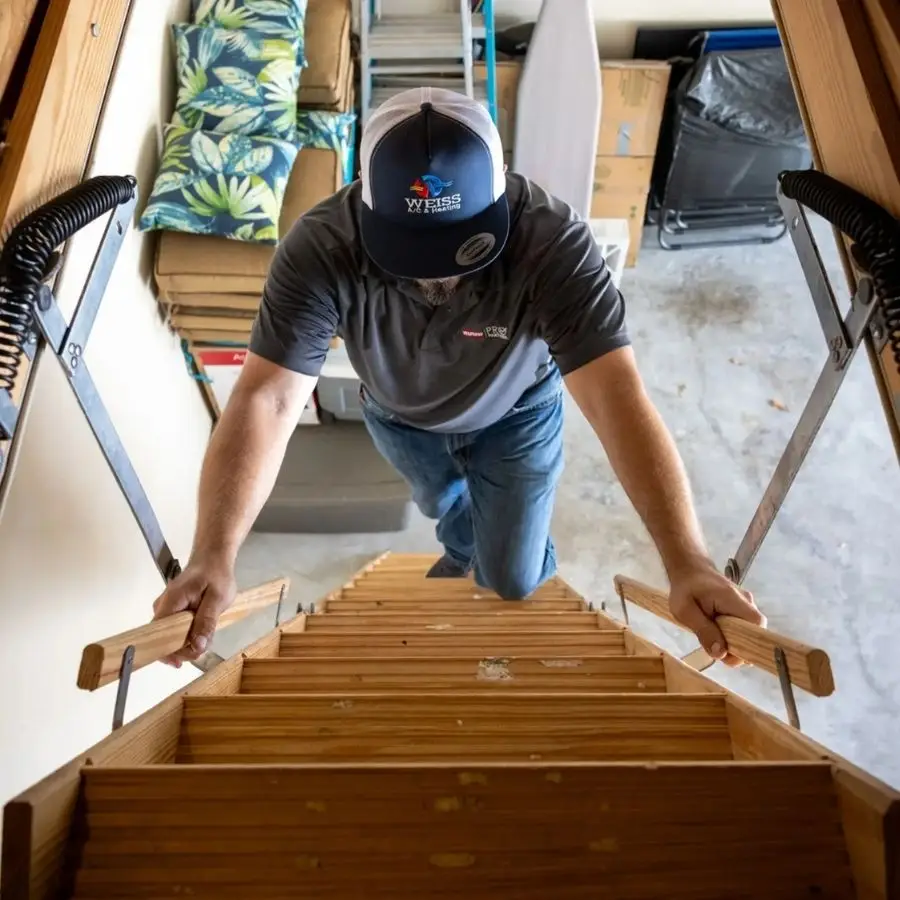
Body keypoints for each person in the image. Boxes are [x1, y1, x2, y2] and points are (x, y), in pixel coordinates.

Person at [152, 87, 765, 666]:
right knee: (447, 509)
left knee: (516, 578)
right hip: (400, 420)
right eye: (411, 251)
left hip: (517, 417)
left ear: (500, 195)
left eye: (457, 246)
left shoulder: (554, 244)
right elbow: (269, 397)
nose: (434, 277)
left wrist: (689, 561)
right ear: (365, 202)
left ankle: (493, 564)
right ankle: (468, 552)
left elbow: (614, 394)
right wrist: (213, 553)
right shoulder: (320, 249)